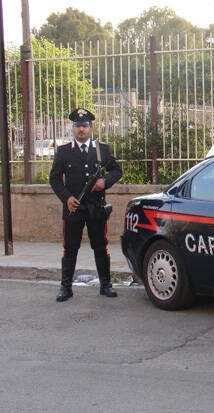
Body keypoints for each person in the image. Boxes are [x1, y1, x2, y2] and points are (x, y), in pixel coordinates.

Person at [50, 108, 123, 302]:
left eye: (84, 126)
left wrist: (104, 182)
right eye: (77, 126)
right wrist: (66, 197)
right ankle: (66, 287)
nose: (81, 130)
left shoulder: (102, 150)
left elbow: (117, 171)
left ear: (90, 128)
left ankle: (105, 284)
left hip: (96, 208)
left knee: (100, 247)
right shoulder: (64, 152)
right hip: (74, 208)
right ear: (73, 129)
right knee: (70, 248)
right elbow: (55, 179)